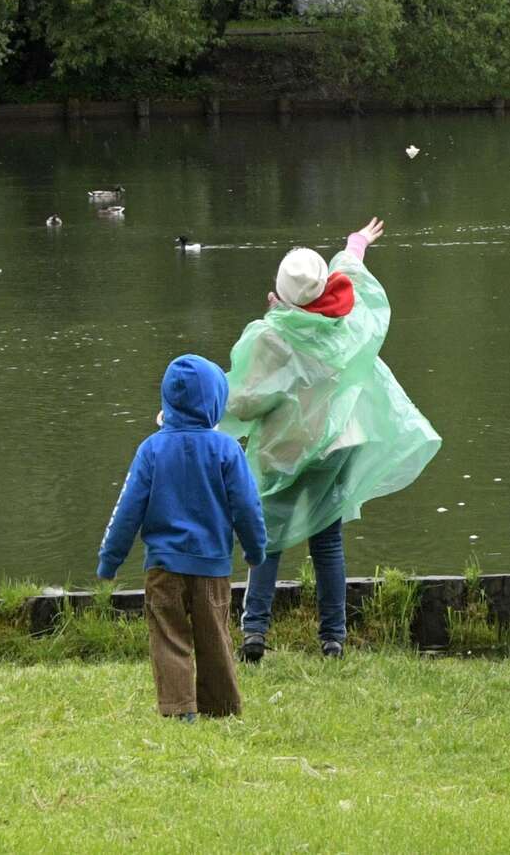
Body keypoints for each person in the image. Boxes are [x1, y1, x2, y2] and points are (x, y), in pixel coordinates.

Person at [222, 218, 441, 661]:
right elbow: (351, 276)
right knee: (327, 539)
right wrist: (355, 243)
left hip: (287, 452)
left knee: (267, 539)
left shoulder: (272, 337)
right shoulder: (347, 323)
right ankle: (333, 638)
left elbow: (245, 401)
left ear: (279, 293)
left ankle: (255, 634)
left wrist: (193, 411)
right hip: (340, 446)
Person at [98, 354, 268, 721]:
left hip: (163, 567)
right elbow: (247, 506)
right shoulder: (227, 450)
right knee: (215, 637)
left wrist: (110, 560)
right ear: (215, 402)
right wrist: (256, 550)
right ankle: (221, 706)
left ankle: (179, 709)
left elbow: (127, 509)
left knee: (168, 635)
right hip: (212, 568)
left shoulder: (151, 449)